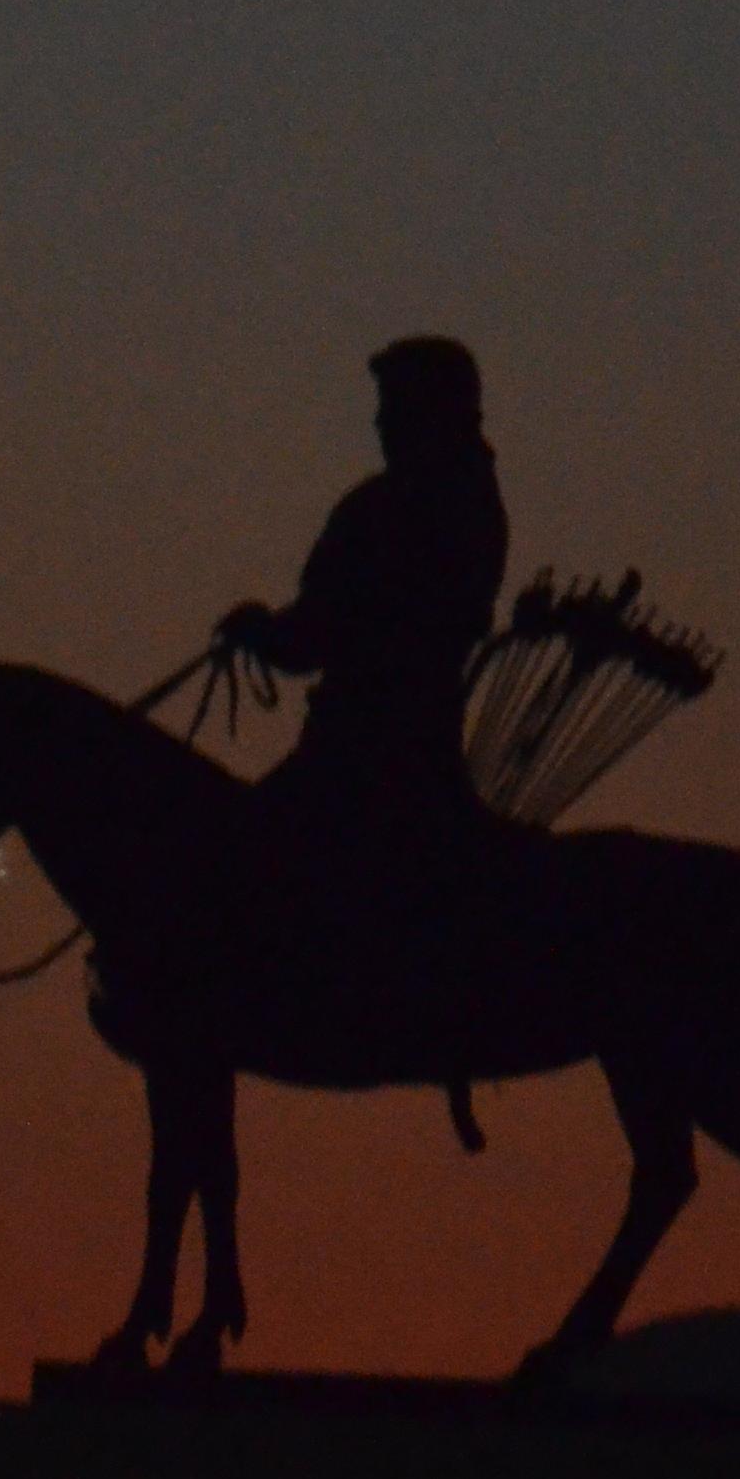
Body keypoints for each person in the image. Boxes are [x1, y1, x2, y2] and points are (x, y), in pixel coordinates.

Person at [211, 338, 514, 1053]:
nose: (378, 426)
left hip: (361, 755)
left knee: (242, 870)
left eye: (390, 409)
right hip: (412, 748)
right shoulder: (466, 501)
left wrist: (264, 633)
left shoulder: (392, 507)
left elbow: (324, 629)